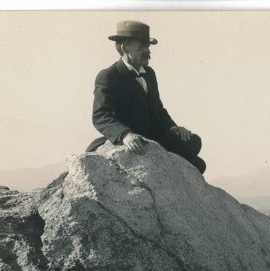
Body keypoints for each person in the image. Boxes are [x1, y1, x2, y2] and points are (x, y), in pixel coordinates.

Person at [87, 20, 206, 174]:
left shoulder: (149, 73)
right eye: (142, 45)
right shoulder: (109, 76)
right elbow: (100, 115)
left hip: (153, 137)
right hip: (132, 140)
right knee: (197, 164)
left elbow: (158, 109)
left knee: (194, 142)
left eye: (148, 46)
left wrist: (173, 128)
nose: (147, 50)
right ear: (124, 47)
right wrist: (126, 135)